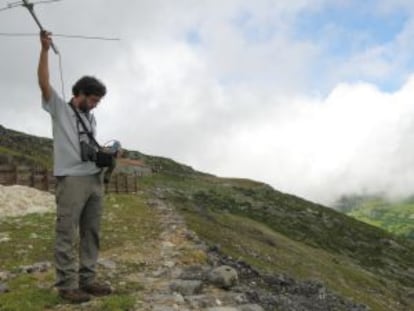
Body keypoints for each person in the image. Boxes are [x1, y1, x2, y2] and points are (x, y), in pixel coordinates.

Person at [38, 30, 112, 303]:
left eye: (98, 102)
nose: (94, 105)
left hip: (94, 179)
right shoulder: (60, 109)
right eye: (92, 100)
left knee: (92, 231)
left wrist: (106, 153)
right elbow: (43, 83)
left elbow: (88, 146)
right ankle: (67, 285)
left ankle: (88, 279)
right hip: (71, 180)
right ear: (79, 94)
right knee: (67, 231)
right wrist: (45, 50)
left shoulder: (90, 119)